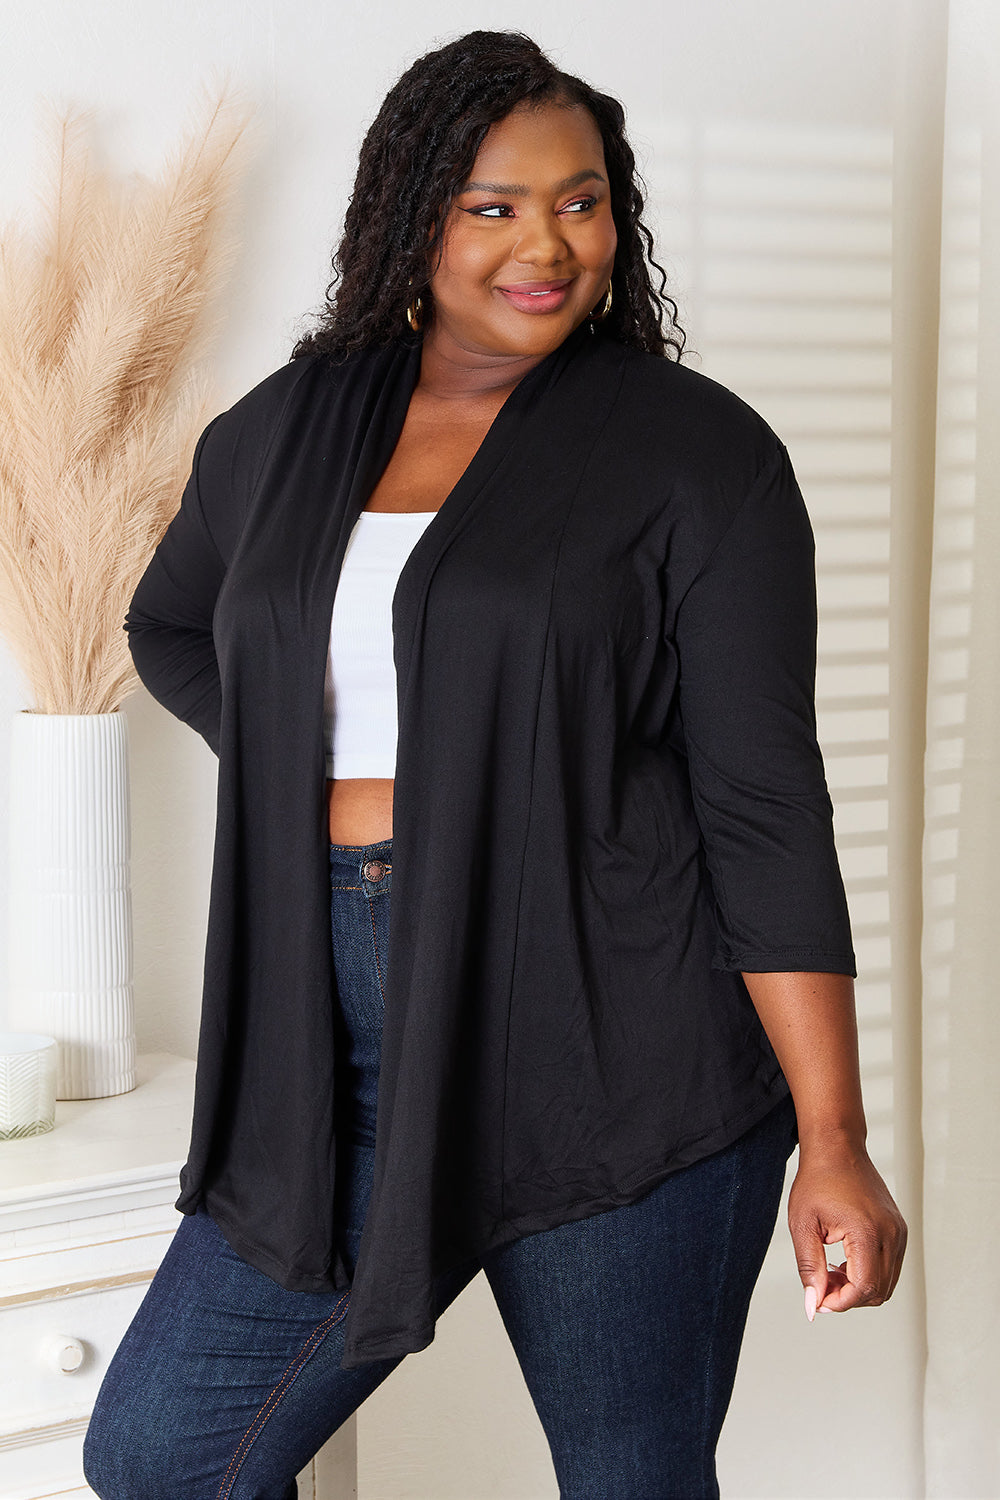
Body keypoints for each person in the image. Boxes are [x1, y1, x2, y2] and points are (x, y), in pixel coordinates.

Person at [83, 29, 906, 1500]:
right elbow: (174, 625)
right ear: (415, 220)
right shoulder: (284, 431)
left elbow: (765, 804)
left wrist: (833, 1138)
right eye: (495, 206)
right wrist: (293, 766)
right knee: (164, 1460)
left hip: (615, 1034)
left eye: (582, 202)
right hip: (328, 1045)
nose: (548, 245)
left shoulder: (696, 455)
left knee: (629, 1477)